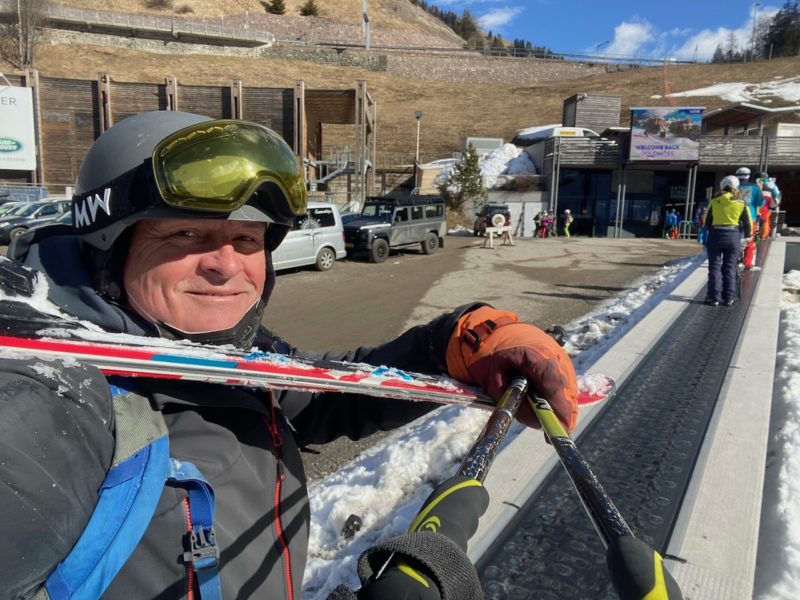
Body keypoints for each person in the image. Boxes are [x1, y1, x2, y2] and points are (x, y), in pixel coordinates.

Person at [0, 111, 580, 599]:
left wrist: (455, 342)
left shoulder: (231, 357)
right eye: (186, 236)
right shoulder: (49, 399)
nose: (227, 265)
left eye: (247, 240)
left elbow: (324, 399)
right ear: (109, 244)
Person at [703, 175, 752, 307]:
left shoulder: (715, 201)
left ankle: (714, 297)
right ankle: (729, 297)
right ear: (736, 187)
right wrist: (748, 236)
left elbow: (706, 221)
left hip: (716, 236)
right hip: (733, 237)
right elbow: (748, 223)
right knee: (729, 268)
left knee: (714, 267)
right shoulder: (741, 203)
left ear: (722, 186)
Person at [735, 166, 764, 269]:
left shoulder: (733, 187)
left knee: (735, 239)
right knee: (750, 240)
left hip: (734, 218)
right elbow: (760, 202)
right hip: (750, 217)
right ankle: (748, 264)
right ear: (748, 175)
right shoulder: (755, 187)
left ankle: (734, 260)